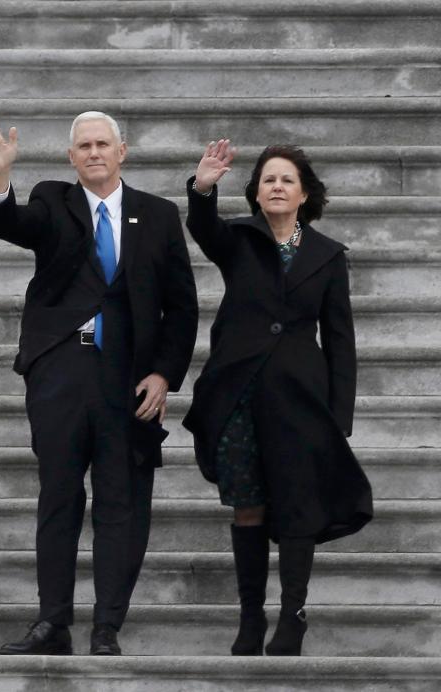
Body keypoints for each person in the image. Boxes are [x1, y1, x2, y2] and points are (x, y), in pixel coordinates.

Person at [0, 113, 198, 655]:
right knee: (58, 496)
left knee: (120, 502)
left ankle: (106, 626)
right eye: (83, 146)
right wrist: (1, 179)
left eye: (103, 144)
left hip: (128, 378)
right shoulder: (54, 201)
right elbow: (11, 224)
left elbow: (182, 307)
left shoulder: (159, 214)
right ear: (72, 158)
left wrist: (164, 374)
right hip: (61, 372)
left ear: (123, 151)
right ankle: (53, 622)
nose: (93, 152)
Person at [184, 140, 373, 656]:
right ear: (256, 191)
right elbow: (203, 228)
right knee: (249, 506)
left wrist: (340, 416)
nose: (277, 186)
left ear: (304, 192)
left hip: (300, 399)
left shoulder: (328, 256)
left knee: (297, 507)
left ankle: (293, 618)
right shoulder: (239, 239)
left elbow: (340, 339)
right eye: (268, 179)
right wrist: (202, 187)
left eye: (287, 179)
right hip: (240, 393)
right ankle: (250, 619)